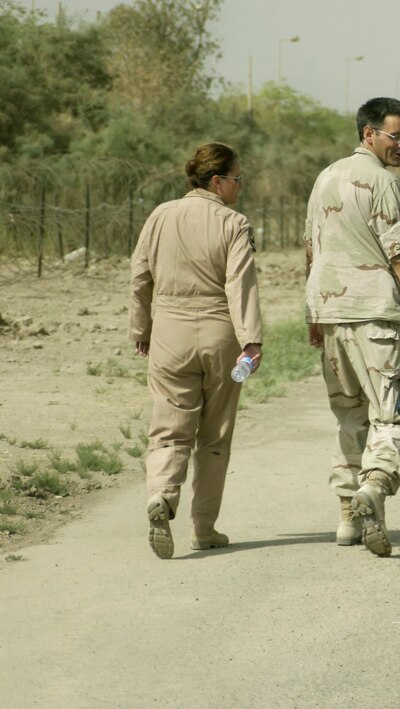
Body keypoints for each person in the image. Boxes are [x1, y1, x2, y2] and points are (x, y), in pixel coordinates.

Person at [304, 97, 400, 556]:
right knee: (394, 414)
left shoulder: (324, 178)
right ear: (369, 134)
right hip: (378, 317)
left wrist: (313, 314)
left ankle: (346, 518)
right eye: (394, 136)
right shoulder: (383, 182)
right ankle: (374, 489)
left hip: (332, 316)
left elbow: (311, 250)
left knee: (348, 415)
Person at [130, 142, 263, 560]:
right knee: (215, 434)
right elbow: (239, 284)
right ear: (217, 180)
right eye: (238, 179)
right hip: (220, 332)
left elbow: (139, 276)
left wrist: (141, 327)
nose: (241, 187)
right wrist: (251, 339)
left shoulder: (160, 215)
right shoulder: (234, 223)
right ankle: (203, 528)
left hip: (169, 331)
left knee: (169, 426)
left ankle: (162, 498)